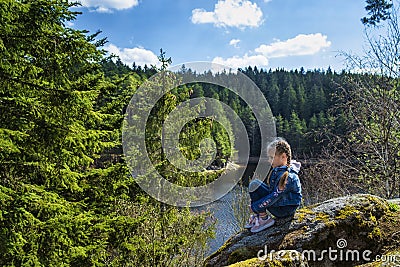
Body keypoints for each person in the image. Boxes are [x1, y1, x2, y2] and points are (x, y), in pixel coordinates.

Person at [244, 138, 302, 233]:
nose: (269, 160)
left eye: (272, 157)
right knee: (254, 184)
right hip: (279, 203)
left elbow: (274, 196)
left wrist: (255, 207)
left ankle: (264, 219)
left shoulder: (289, 177)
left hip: (284, 210)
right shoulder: (278, 170)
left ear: (283, 157)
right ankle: (262, 217)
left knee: (257, 193)